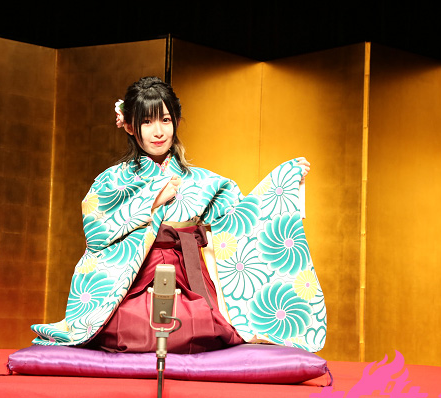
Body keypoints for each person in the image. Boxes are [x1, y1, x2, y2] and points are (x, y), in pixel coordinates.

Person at [31, 76, 327, 354]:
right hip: (135, 275)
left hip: (187, 272)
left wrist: (283, 183)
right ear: (130, 127)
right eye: (147, 122)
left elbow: (244, 220)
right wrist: (152, 201)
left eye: (165, 120)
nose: (158, 131)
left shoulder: (204, 181)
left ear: (177, 121)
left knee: (199, 324)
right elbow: (96, 230)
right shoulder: (112, 180)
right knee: (130, 325)